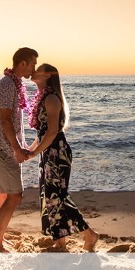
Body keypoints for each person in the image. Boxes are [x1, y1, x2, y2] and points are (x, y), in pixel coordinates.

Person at [27, 63, 98, 252]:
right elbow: (41, 134)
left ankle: (89, 235)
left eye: (38, 69)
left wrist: (34, 152)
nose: (34, 71)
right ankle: (60, 241)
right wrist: (30, 150)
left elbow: (51, 133)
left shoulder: (51, 99)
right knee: (50, 198)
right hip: (48, 153)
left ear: (47, 76)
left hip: (57, 153)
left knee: (57, 196)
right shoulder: (44, 98)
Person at [0, 47, 38, 253]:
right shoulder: (8, 84)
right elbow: (5, 120)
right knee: (15, 195)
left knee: (3, 194)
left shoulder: (13, 84)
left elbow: (11, 121)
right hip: (3, 149)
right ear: (22, 63)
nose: (33, 68)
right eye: (32, 63)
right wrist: (16, 149)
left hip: (4, 147)